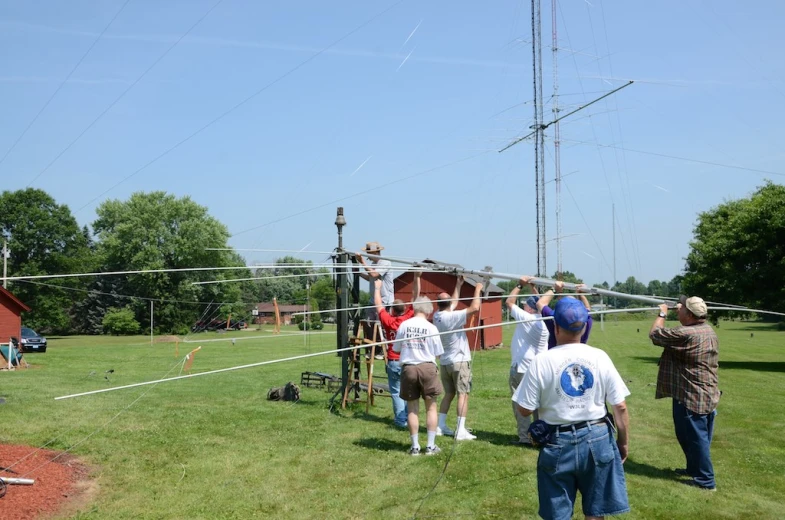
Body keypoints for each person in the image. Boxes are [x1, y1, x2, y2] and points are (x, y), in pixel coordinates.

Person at [513, 297, 630, 520]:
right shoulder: (599, 356)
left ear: (555, 327)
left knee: (557, 514)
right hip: (598, 438)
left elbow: (524, 410)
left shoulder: (542, 360)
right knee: (596, 512)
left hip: (558, 442)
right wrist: (623, 443)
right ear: (584, 326)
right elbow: (620, 406)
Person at [649, 295, 719, 491]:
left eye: (682, 308)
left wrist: (662, 312)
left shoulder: (686, 333)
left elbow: (655, 334)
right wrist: (678, 309)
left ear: (689, 315)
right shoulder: (706, 329)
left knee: (698, 439)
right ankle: (693, 469)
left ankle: (706, 480)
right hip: (696, 393)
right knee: (686, 435)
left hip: (693, 396)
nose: (678, 309)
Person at [432, 276, 483, 440]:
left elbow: (452, 302)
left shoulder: (437, 316)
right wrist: (478, 289)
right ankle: (460, 430)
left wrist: (459, 284)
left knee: (449, 394)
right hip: (459, 361)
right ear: (448, 304)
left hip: (445, 362)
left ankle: (440, 425)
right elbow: (475, 307)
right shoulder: (451, 317)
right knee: (463, 394)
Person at [394, 296, 444, 456]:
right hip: (427, 367)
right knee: (431, 408)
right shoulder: (431, 328)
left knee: (412, 408)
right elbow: (438, 353)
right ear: (428, 311)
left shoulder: (404, 325)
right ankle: (430, 446)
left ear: (415, 309)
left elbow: (396, 348)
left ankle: (415, 447)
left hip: (409, 368)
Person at [373, 272, 422, 428]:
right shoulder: (409, 318)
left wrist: (377, 289)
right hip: (408, 361)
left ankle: (400, 421)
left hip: (394, 361)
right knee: (409, 392)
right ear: (405, 309)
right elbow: (416, 297)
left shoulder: (388, 320)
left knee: (396, 392)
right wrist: (417, 278)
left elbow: (379, 306)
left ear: (393, 310)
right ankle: (408, 418)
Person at [506, 275, 549, 445]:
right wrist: (533, 288)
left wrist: (519, 285)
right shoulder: (546, 321)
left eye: (525, 305)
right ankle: (540, 436)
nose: (523, 307)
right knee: (539, 404)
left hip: (521, 369)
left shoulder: (527, 319)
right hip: (540, 370)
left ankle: (524, 438)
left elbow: (509, 302)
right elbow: (542, 304)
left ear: (530, 309)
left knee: (520, 403)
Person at [356, 242, 394, 359]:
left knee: (381, 326)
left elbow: (374, 274)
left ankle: (383, 350)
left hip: (384, 301)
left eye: (369, 253)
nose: (368, 256)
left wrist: (362, 262)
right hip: (373, 301)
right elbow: (370, 278)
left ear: (377, 252)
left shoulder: (385, 263)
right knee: (369, 324)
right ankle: (372, 349)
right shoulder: (372, 263)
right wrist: (358, 273)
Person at [537, 280, 594, 349]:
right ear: (583, 328)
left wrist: (554, 289)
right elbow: (587, 308)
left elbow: (540, 303)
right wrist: (580, 294)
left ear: (556, 327)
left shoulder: (553, 319)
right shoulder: (586, 320)